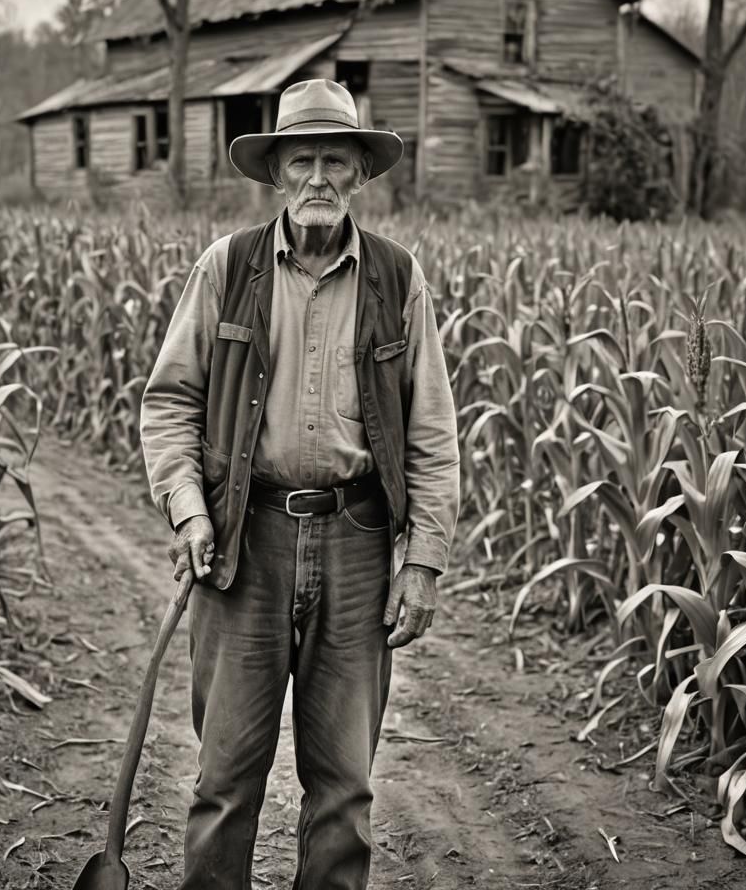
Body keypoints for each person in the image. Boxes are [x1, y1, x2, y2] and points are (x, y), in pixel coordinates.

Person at [139, 77, 460, 889]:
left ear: (359, 173)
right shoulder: (228, 267)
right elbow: (169, 401)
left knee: (344, 788)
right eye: (303, 160)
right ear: (278, 172)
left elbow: (431, 429)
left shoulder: (396, 277)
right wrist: (188, 514)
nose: (319, 177)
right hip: (244, 541)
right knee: (224, 782)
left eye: (336, 161)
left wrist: (422, 561)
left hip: (356, 544)